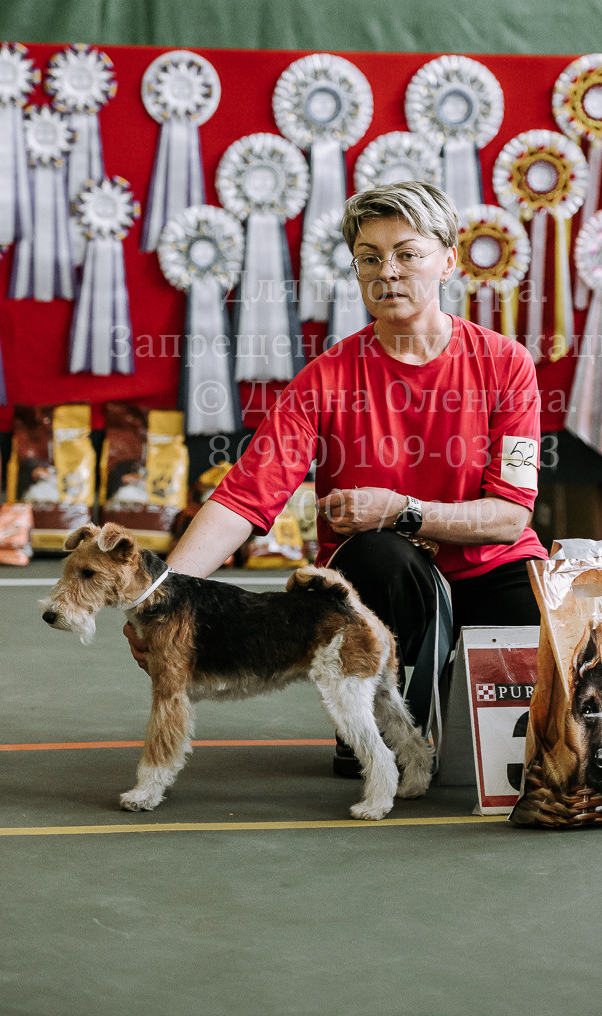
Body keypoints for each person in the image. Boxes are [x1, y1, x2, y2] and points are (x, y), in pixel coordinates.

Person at [123, 181, 547, 775]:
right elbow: (244, 498)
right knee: (375, 555)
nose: (387, 272)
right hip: (387, 579)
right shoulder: (326, 376)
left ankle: (448, 716)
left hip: (491, 566)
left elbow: (510, 517)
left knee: (536, 701)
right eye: (369, 258)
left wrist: (401, 508)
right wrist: (158, 595)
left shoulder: (506, 363)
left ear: (449, 260)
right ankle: (376, 717)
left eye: (407, 253)